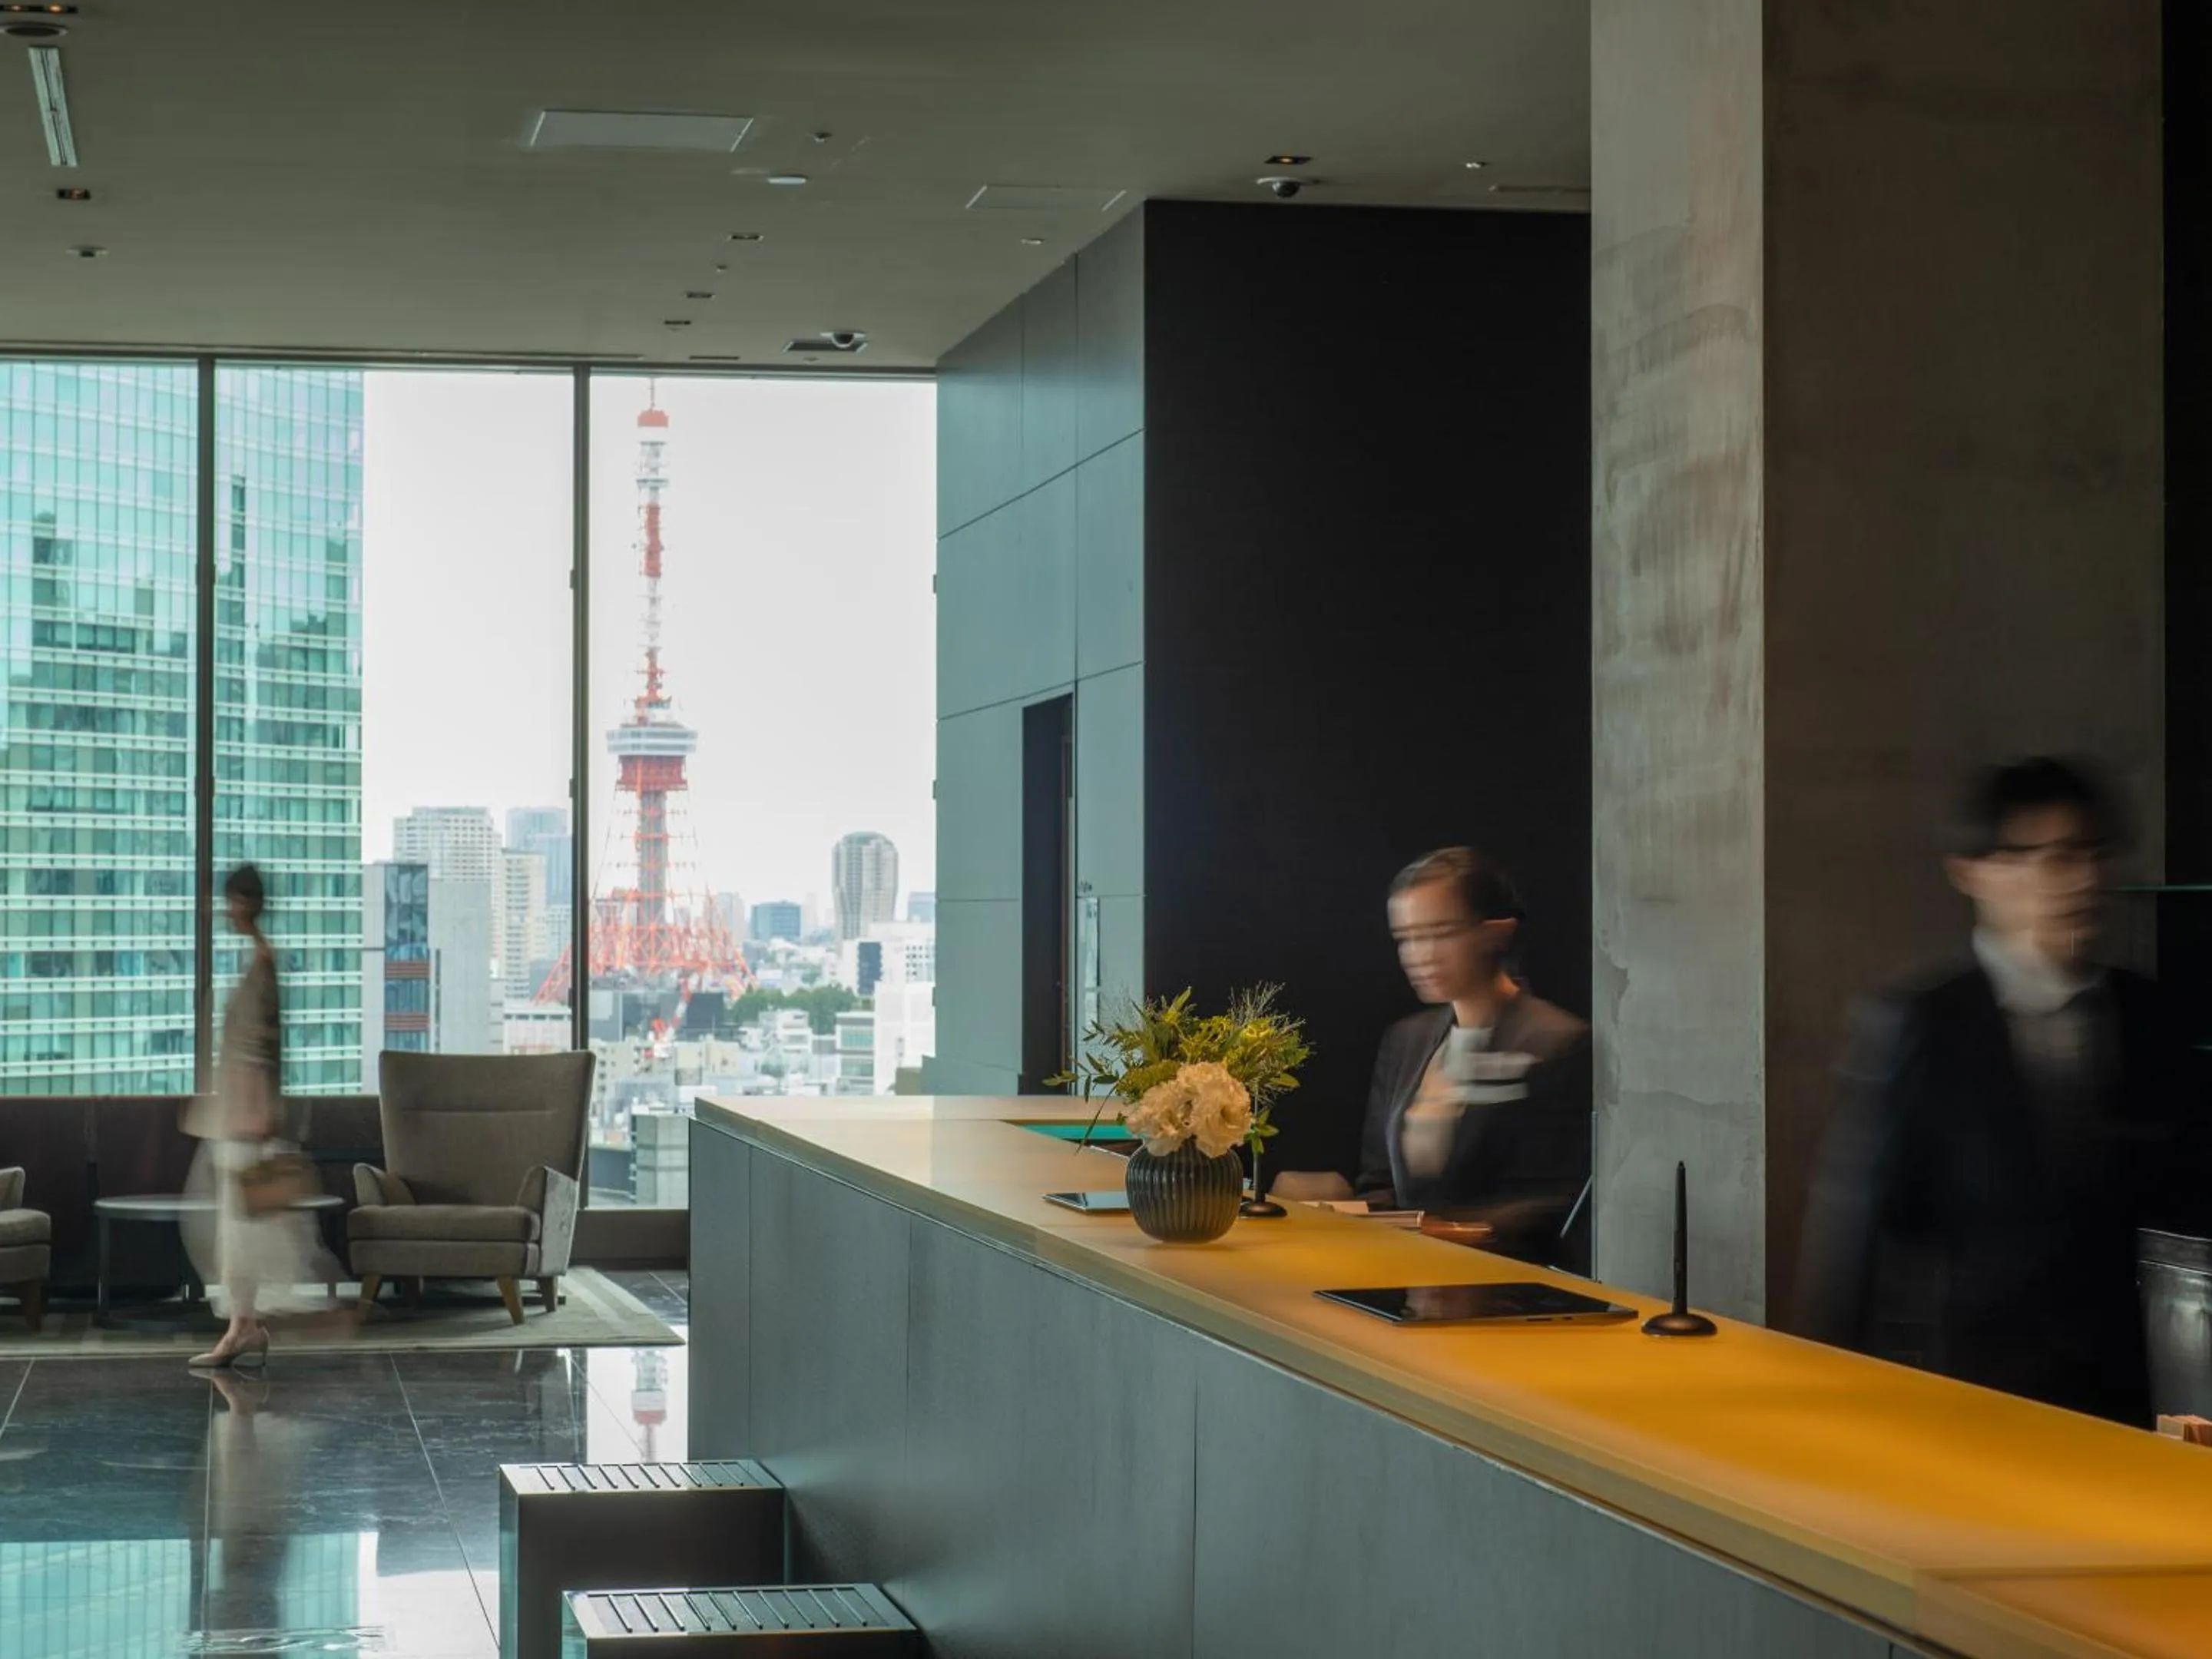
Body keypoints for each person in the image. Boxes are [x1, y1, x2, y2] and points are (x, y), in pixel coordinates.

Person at [1796, 758, 2206, 1426]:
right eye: (2049, 858)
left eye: (2093, 855)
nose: (2080, 880)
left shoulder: (2148, 1016)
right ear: (1974, 871)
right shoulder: (1920, 1021)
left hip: (2121, 1402)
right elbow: (1855, 1240)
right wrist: (1837, 1405)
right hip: (1971, 1392)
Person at [1351, 847, 1593, 1270]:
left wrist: (1442, 1234)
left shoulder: (1557, 1043)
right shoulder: (1406, 1041)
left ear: (1494, 932)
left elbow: (1554, 1206)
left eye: (1439, 933)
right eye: (1406, 938)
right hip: (1407, 1285)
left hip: (1508, 1296)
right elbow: (1376, 1183)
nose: (1419, 954)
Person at [182, 863, 326, 1369]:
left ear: (246, 903)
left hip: (249, 1115)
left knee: (241, 1228)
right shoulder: (257, 960)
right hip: (237, 1112)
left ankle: (243, 1328)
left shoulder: (263, 962)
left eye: (230, 902)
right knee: (233, 1227)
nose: (225, 911)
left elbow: (268, 1046)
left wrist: (264, 1113)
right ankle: (243, 1326)